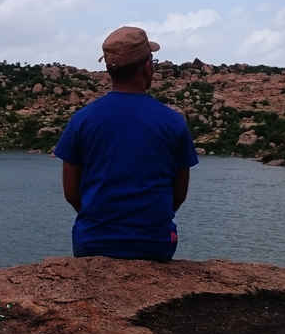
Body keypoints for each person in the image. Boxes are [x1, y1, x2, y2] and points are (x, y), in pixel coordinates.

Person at [54, 26, 199, 261]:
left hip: (93, 242)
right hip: (155, 243)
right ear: (147, 67)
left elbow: (71, 193)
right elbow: (179, 193)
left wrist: (102, 222)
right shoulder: (173, 122)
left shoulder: (81, 120)